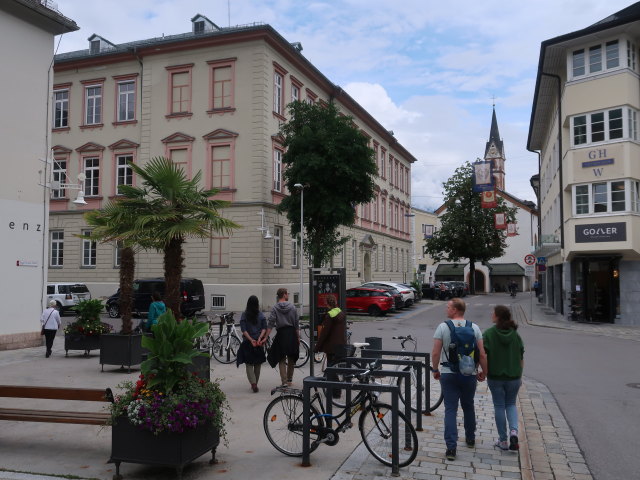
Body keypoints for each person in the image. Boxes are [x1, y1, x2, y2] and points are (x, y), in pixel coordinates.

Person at [431, 298, 488, 461]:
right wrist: (484, 372)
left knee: (450, 409)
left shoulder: (443, 327)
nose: (446, 309)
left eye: (448, 307)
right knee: (468, 405)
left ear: (455, 310)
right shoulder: (474, 327)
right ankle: (470, 438)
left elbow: (435, 352)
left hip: (449, 373)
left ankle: (451, 448)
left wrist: (435, 369)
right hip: (468, 374)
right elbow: (482, 353)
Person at [483, 305, 524, 451]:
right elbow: (521, 355)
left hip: (495, 376)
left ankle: (503, 441)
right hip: (514, 377)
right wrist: (519, 373)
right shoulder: (515, 335)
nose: (491, 314)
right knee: (511, 404)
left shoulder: (489, 334)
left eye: (493, 313)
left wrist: (483, 371)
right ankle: (514, 431)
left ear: (498, 316)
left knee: (499, 406)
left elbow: (483, 355)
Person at [266, 288, 300, 387]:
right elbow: (296, 323)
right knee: (291, 357)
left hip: (281, 334)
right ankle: (289, 380)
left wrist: (265, 337)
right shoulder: (293, 307)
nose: (288, 295)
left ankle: (284, 381)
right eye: (287, 294)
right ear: (284, 295)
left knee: (281, 358)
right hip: (291, 333)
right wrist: (298, 336)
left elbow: (271, 324)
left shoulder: (275, 308)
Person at [314, 294, 347, 396]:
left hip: (331, 347)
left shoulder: (330, 316)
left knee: (331, 369)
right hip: (340, 345)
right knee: (334, 369)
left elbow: (324, 333)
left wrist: (317, 347)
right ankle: (335, 391)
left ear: (327, 303)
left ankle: (335, 391)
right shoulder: (340, 313)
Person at [236, 295, 268, 392]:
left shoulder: (244, 315)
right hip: (258, 342)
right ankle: (255, 383)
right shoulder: (261, 315)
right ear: (257, 304)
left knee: (249, 363)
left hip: (247, 343)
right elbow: (264, 328)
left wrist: (250, 339)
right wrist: (259, 338)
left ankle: (253, 383)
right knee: (257, 363)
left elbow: (243, 329)